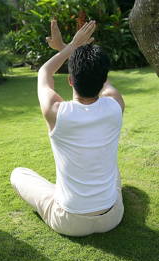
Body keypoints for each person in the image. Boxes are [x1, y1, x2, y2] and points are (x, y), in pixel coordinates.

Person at [10, 19, 125, 237]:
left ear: (70, 81)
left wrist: (70, 46)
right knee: (114, 172)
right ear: (102, 82)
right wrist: (71, 48)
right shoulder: (115, 105)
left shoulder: (56, 112)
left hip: (69, 221)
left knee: (19, 174)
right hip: (112, 216)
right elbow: (99, 77)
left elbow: (44, 73)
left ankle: (61, 195)